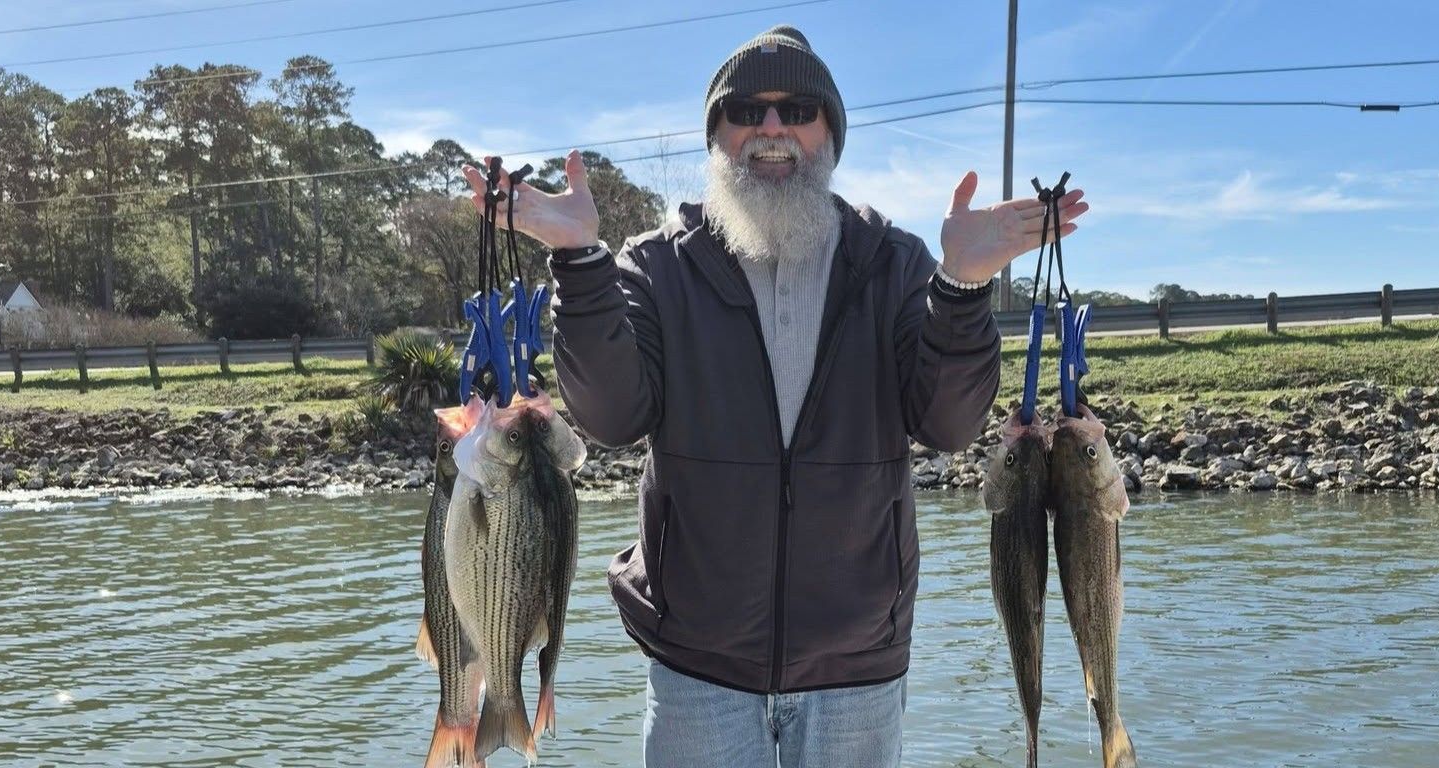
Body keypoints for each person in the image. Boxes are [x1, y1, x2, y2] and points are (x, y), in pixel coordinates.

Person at [463, 24, 1087, 768]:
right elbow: (611, 417)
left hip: (858, 669)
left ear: (830, 134)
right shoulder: (657, 266)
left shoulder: (894, 264)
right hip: (698, 668)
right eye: (745, 111)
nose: (771, 128)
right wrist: (579, 260)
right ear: (717, 136)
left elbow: (948, 424)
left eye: (796, 109)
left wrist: (962, 287)